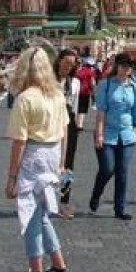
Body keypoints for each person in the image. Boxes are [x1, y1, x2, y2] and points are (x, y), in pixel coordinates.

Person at [5, 46, 71, 272]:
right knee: (42, 213)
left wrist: (12, 176)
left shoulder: (25, 98)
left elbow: (19, 141)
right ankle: (59, 266)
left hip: (33, 155)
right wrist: (62, 163)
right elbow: (65, 132)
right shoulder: (56, 94)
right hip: (53, 154)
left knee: (30, 215)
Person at [89, 53, 136, 219]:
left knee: (122, 171)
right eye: (123, 65)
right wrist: (99, 134)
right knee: (107, 169)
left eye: (129, 66)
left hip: (127, 135)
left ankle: (119, 209)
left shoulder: (134, 87)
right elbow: (101, 112)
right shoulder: (105, 84)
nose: (126, 69)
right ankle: (96, 194)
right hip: (107, 133)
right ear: (117, 66)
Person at [54, 49, 81, 219]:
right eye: (66, 62)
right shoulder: (49, 81)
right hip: (51, 123)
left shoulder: (75, 83)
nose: (68, 67)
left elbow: (75, 106)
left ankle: (64, 202)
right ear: (59, 61)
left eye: (72, 64)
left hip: (69, 123)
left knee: (68, 164)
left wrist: (76, 125)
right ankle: (46, 200)